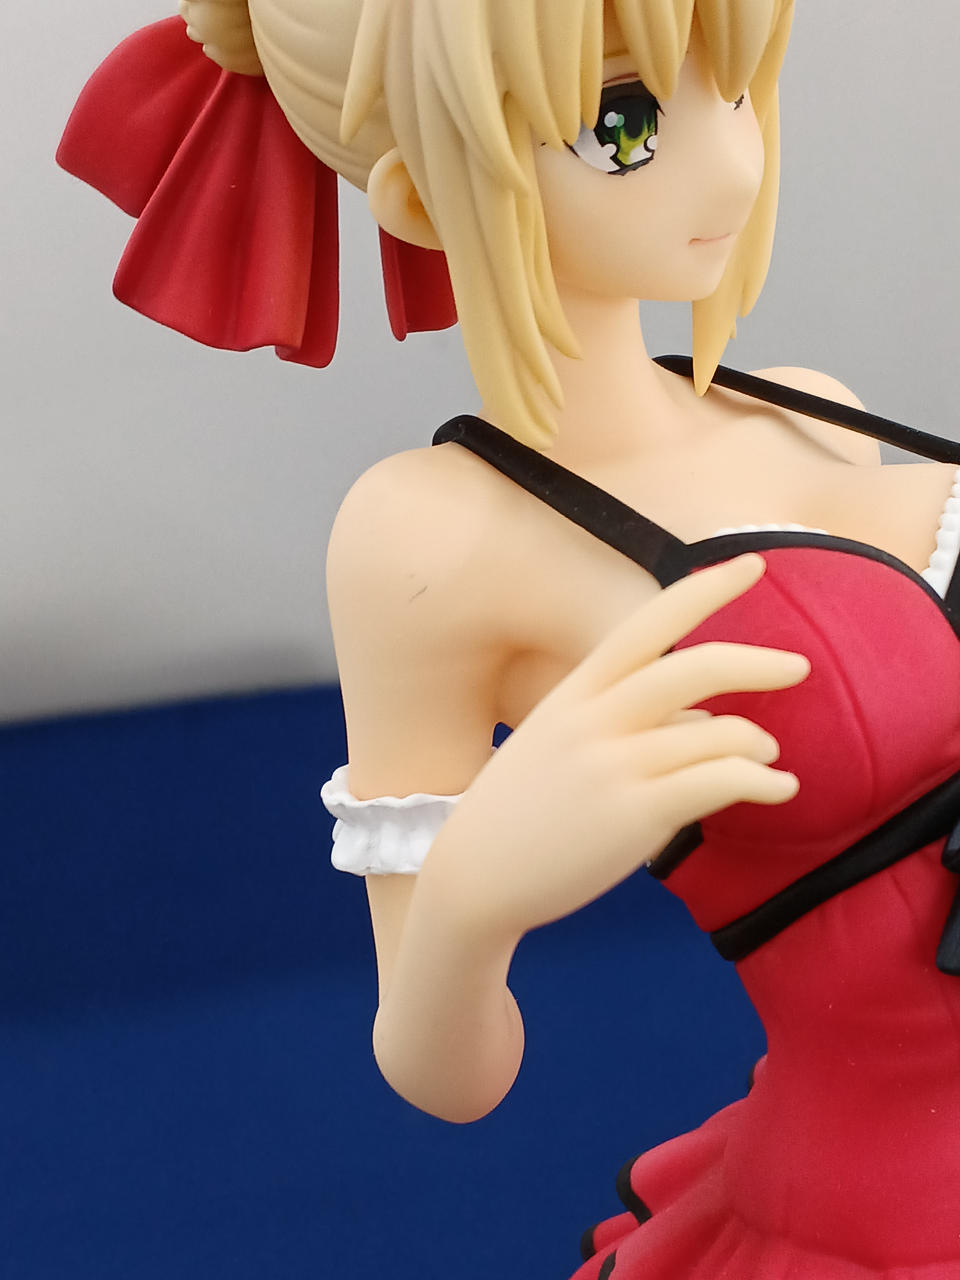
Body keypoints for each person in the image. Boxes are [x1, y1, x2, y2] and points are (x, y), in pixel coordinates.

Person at [59, 1, 960, 1274]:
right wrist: (473, 896)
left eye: (736, 87)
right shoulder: (431, 538)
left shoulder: (813, 410)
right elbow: (441, 1074)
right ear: (421, 196)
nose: (732, 166)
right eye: (624, 122)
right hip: (894, 1216)